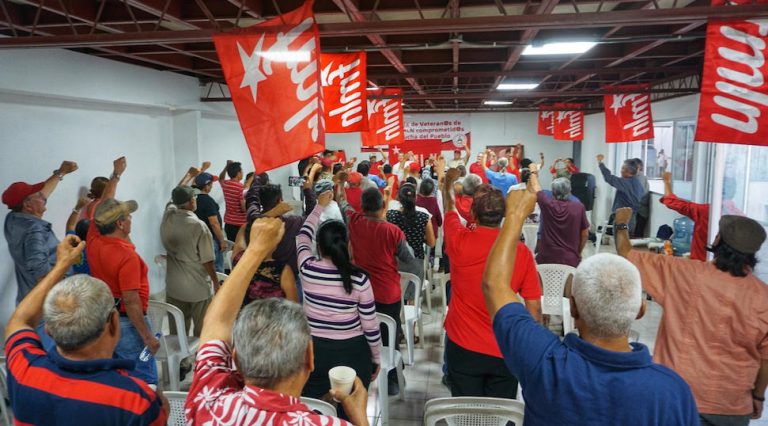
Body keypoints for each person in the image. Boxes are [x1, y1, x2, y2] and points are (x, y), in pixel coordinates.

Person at [483, 189, 698, 425]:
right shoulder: (673, 393)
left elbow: (495, 285)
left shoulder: (543, 361)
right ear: (641, 310)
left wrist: (515, 216)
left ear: (573, 307)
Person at [185, 218, 370, 426]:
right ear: (309, 357)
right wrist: (360, 419)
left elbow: (216, 322)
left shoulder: (209, 403)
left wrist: (255, 250)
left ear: (236, 358)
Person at [615, 206, 768, 424]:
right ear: (753, 254)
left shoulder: (683, 273)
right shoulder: (763, 297)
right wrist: (758, 396)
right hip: (732, 405)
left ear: (717, 240)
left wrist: (621, 223)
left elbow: (626, 254)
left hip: (678, 395)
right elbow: (765, 358)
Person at [4, 235, 169, 425]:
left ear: (48, 329)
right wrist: (162, 412)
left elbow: (19, 320)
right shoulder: (136, 402)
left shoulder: (24, 371)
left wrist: (60, 265)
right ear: (114, 323)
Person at [441, 166, 541, 398]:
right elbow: (534, 308)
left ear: (473, 214)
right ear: (503, 214)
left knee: (465, 410)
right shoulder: (521, 252)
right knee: (500, 410)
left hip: (463, 344)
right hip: (505, 346)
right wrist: (530, 347)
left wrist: (447, 185)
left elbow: (449, 208)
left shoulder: (459, 240)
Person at [297, 191, 381, 416]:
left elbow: (303, 236)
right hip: (352, 353)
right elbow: (370, 326)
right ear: (347, 244)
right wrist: (376, 357)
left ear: (319, 247)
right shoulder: (359, 280)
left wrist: (318, 207)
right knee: (350, 412)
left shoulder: (307, 269)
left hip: (314, 352)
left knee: (314, 411)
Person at [88, 159, 159, 385]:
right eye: (128, 216)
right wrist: (147, 337)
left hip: (107, 318)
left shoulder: (94, 237)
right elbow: (131, 300)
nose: (131, 218)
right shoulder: (127, 257)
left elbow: (105, 202)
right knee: (143, 377)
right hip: (129, 324)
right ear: (120, 224)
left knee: (118, 374)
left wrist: (116, 175)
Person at [341, 185, 415, 395]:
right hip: (387, 293)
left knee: (363, 333)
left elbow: (344, 205)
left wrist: (340, 186)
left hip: (360, 291)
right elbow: (408, 258)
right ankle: (392, 379)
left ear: (363, 207)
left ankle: (364, 375)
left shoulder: (354, 221)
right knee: (390, 334)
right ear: (383, 206)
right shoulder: (393, 231)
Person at [3, 160, 78, 304]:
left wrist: (61, 172)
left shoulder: (12, 219)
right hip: (47, 308)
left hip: (26, 300)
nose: (43, 196)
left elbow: (43, 193)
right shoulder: (35, 230)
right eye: (38, 195)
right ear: (28, 206)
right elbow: (42, 275)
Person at [160, 181, 218, 341]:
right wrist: (215, 282)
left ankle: (181, 356)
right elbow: (207, 261)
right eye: (194, 198)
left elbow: (172, 201)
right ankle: (200, 354)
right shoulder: (199, 226)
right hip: (197, 287)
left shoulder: (167, 217)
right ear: (191, 202)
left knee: (177, 331)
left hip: (174, 286)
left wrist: (188, 177)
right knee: (202, 329)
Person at [528, 165, 589, 267]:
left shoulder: (547, 204)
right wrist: (577, 253)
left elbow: (536, 187)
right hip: (570, 260)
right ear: (569, 190)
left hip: (546, 259)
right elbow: (585, 234)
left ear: (553, 192)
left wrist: (533, 171)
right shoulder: (578, 207)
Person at [387, 183, 436, 284]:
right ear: (415, 198)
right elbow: (432, 243)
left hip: (395, 262)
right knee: (414, 291)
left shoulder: (390, 215)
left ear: (399, 199)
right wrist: (421, 237)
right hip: (416, 263)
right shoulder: (424, 217)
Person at [659, 171, 709, 261]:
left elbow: (671, 202)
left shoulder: (705, 211)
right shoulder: (734, 215)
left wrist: (666, 182)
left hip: (699, 262)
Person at [597, 154, 644, 233]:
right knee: (627, 238)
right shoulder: (638, 183)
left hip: (622, 217)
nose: (621, 170)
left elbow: (608, 177)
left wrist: (600, 162)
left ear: (628, 171)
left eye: (622, 168)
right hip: (632, 217)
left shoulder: (625, 182)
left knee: (619, 238)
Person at [193, 171, 227, 272]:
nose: (212, 186)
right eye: (211, 184)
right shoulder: (208, 201)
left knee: (204, 270)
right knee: (216, 271)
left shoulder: (193, 199)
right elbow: (214, 223)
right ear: (206, 186)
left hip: (199, 239)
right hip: (211, 240)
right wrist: (222, 241)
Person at [219, 160, 247, 241]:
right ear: (238, 173)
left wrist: (226, 166)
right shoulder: (241, 188)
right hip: (240, 226)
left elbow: (220, 178)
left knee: (232, 247)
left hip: (228, 224)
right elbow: (243, 208)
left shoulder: (225, 184)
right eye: (242, 171)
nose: (242, 173)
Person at [631, 158, 651, 237]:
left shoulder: (640, 177)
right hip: (637, 209)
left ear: (638, 167)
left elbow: (639, 195)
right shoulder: (634, 177)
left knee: (636, 235)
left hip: (640, 211)